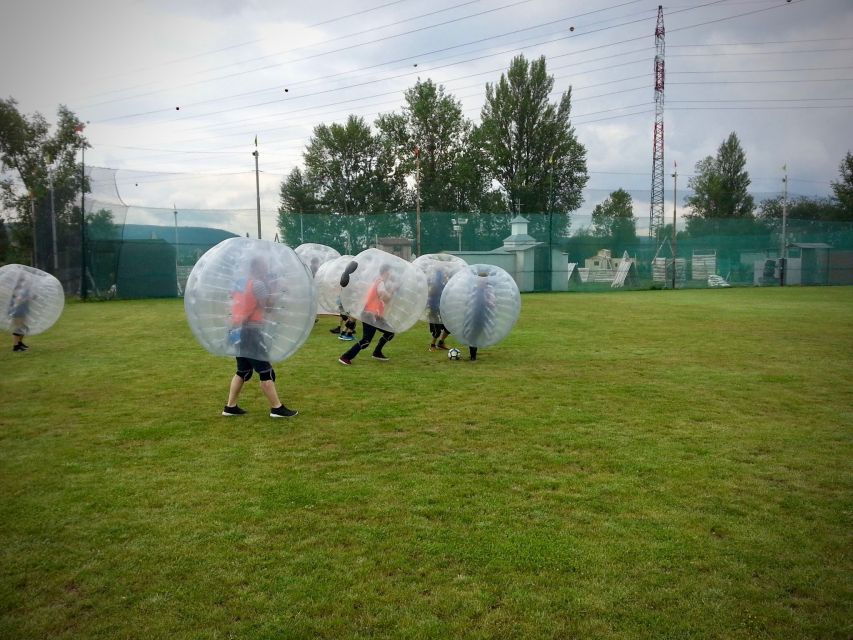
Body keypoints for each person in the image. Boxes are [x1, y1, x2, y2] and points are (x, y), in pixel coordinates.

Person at [223, 256, 298, 418]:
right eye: (264, 267)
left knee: (242, 370)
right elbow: (268, 307)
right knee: (265, 370)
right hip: (252, 332)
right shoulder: (258, 284)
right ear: (257, 268)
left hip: (239, 330)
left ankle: (230, 406)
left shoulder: (241, 283)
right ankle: (277, 408)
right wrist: (277, 291)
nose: (266, 270)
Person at [338, 262, 394, 365]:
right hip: (369, 315)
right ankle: (345, 357)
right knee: (366, 341)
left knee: (389, 332)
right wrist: (391, 293)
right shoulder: (380, 282)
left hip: (375, 315)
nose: (391, 274)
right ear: (386, 272)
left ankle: (377, 352)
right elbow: (383, 296)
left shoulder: (377, 281)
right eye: (390, 272)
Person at [464, 271, 496, 362]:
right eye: (479, 280)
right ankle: (473, 356)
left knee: (476, 334)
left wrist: (486, 301)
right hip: (473, 313)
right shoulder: (473, 288)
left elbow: (493, 304)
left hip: (483, 314)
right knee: (472, 334)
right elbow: (467, 300)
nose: (481, 282)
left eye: (483, 280)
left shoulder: (489, 289)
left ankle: (473, 354)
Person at [427, 268, 451, 351]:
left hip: (442, 310)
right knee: (437, 331)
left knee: (449, 327)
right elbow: (431, 297)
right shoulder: (436, 286)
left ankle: (441, 343)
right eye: (444, 275)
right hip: (434, 310)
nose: (445, 276)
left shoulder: (444, 285)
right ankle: (432, 345)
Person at [8, 273, 33, 352]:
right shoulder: (16, 289)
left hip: (23, 310)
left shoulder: (24, 288)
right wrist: (27, 298)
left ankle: (19, 343)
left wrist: (31, 297)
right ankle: (16, 346)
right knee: (18, 328)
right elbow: (18, 300)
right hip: (17, 311)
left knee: (23, 327)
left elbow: (26, 297)